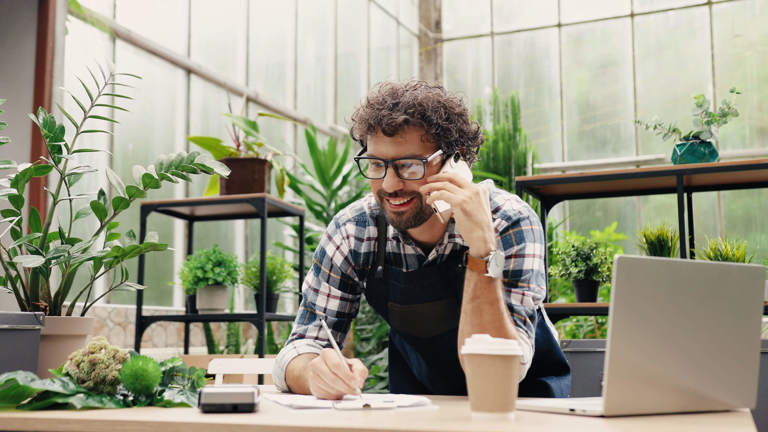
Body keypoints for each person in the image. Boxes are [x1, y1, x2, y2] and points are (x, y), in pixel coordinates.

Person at [273, 80, 570, 399]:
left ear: (456, 162)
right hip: (422, 407)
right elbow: (299, 349)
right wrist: (313, 372)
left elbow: (498, 373)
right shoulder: (355, 230)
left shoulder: (508, 220)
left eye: (409, 166)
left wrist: (482, 250)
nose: (389, 185)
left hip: (521, 406)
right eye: (376, 164)